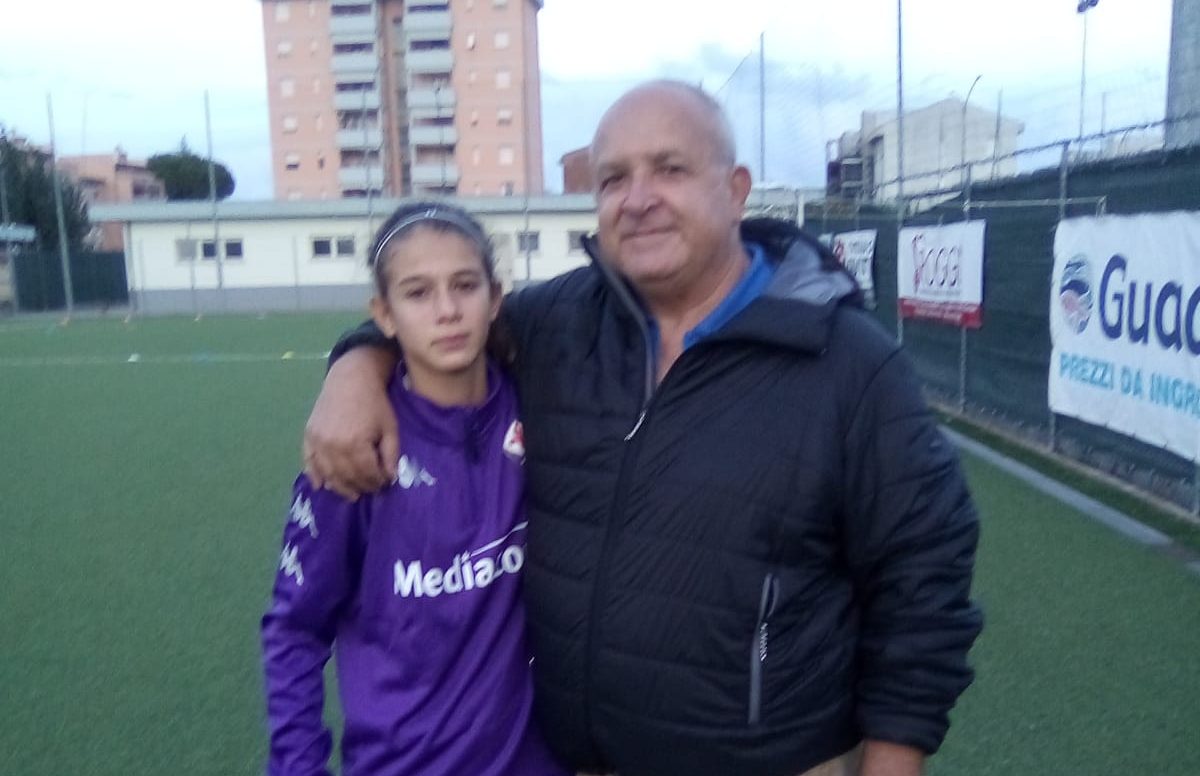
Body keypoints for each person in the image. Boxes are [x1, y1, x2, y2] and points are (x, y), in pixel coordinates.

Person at [304, 81, 983, 776]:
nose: (637, 198)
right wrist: (356, 366)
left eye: (670, 168)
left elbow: (924, 575)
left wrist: (894, 758)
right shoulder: (552, 325)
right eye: (613, 179)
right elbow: (440, 326)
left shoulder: (851, 363)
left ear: (736, 190)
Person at [261, 201, 569, 776]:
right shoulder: (352, 448)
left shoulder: (542, 410)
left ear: (495, 298)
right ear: (384, 313)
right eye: (418, 292)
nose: (447, 311)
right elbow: (295, 630)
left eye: (465, 285)